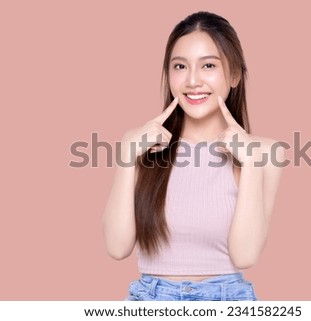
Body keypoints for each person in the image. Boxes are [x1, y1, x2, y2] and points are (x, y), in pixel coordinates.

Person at [102, 11, 285, 301]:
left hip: (227, 299)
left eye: (208, 65)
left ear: (235, 74)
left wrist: (250, 163)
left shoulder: (266, 152)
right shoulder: (137, 143)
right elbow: (116, 247)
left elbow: (245, 255)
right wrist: (127, 158)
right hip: (150, 300)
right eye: (180, 66)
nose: (192, 81)